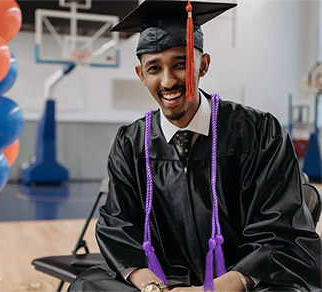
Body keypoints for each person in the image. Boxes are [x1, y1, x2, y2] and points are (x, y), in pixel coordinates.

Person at [69, 0, 322, 291]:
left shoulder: (258, 132)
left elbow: (281, 232)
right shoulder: (131, 143)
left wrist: (218, 287)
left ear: (203, 65)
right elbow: (117, 224)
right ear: (141, 75)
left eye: (180, 64)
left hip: (241, 282)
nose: (168, 81)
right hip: (162, 278)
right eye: (154, 68)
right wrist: (149, 284)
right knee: (88, 286)